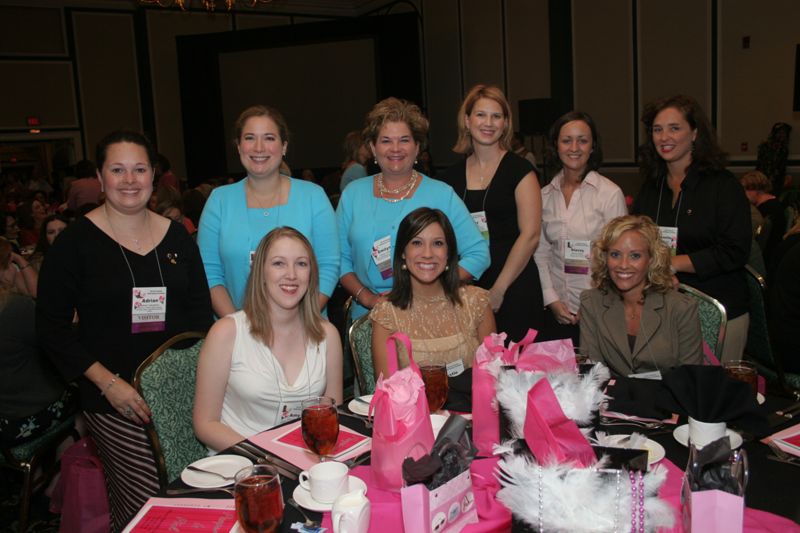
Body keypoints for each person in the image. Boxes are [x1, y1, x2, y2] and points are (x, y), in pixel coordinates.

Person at [36, 130, 213, 531]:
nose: (130, 180)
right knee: (146, 502)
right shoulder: (74, 243)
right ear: (100, 178)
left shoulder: (176, 236)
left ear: (155, 176)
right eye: (118, 170)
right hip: (115, 399)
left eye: (139, 169)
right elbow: (51, 328)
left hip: (183, 393)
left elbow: (200, 315)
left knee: (194, 494)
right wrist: (107, 384)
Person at [337, 97, 489, 320]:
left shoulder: (441, 194)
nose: (395, 149)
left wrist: (430, 290)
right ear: (372, 147)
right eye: (386, 140)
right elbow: (338, 258)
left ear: (417, 147)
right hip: (366, 316)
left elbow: (479, 254)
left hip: (427, 315)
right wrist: (368, 298)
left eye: (404, 140)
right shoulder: (353, 194)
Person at [194, 227, 343, 452]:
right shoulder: (226, 333)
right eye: (278, 263)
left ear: (311, 273)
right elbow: (205, 425)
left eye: (301, 264)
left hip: (304, 461)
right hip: (241, 463)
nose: (291, 274)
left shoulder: (328, 335)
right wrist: (270, 457)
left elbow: (332, 415)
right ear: (260, 272)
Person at [631, 94, 750, 364]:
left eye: (675, 128)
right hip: (662, 308)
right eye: (657, 130)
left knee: (712, 397)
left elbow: (734, 251)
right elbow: (637, 241)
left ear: (695, 133)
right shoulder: (651, 187)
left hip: (717, 308)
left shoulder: (722, 186)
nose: (664, 137)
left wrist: (671, 264)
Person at [198, 105, 339, 316]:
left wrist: (297, 322)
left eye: (269, 138)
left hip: (304, 328)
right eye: (249, 138)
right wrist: (239, 330)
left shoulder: (313, 197)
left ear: (284, 146)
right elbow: (209, 273)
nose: (259, 147)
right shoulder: (219, 201)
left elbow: (328, 266)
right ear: (238, 146)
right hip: (236, 334)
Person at [441, 84, 542, 341]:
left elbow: (530, 235)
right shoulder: (450, 177)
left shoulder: (520, 170)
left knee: (517, 370)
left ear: (505, 124)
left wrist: (499, 289)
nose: (489, 122)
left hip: (513, 285)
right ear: (467, 120)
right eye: (481, 115)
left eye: (497, 116)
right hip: (465, 287)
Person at [533, 111, 627, 344]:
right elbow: (540, 253)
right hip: (555, 312)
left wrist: (594, 303)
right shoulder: (543, 196)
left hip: (599, 311)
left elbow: (617, 256)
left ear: (593, 146)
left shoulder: (609, 194)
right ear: (556, 145)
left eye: (582, 140)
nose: (574, 147)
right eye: (567, 140)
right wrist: (551, 300)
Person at [370, 208, 495, 378]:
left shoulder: (476, 302)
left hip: (471, 404)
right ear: (402, 253)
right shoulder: (387, 313)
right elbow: (389, 391)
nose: (428, 254)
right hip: (409, 405)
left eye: (437, 243)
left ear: (449, 252)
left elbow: (492, 380)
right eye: (417, 243)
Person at [579, 215, 703, 376]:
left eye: (635, 256)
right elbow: (592, 376)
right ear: (605, 257)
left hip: (667, 397)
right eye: (615, 254)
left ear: (651, 259)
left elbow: (691, 379)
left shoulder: (681, 309)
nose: (623, 265)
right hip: (612, 397)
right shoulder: (592, 302)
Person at [0, 281, 77, 447]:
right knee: (87, 398)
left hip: (8, 417)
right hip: (20, 419)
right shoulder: (15, 308)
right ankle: (64, 465)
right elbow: (62, 343)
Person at [740, 170, 786, 266]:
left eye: (745, 190)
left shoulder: (766, 210)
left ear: (755, 189)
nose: (743, 194)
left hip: (766, 258)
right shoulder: (772, 203)